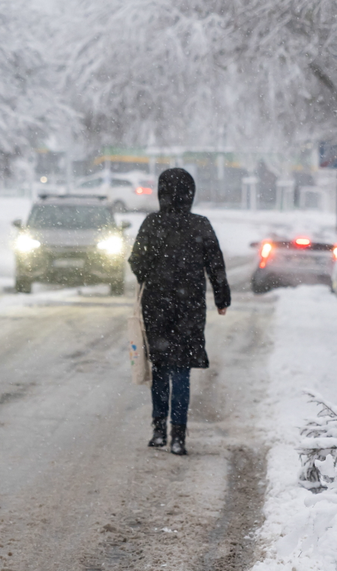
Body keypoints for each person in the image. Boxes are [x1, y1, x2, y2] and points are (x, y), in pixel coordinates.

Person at [128, 167, 231, 456]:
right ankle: (179, 436)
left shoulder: (152, 223)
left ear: (161, 193)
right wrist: (222, 298)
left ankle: (159, 430)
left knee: (160, 367)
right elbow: (215, 264)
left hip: (157, 305)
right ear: (190, 194)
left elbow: (137, 261)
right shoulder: (200, 225)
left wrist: (152, 275)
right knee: (182, 370)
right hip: (190, 307)